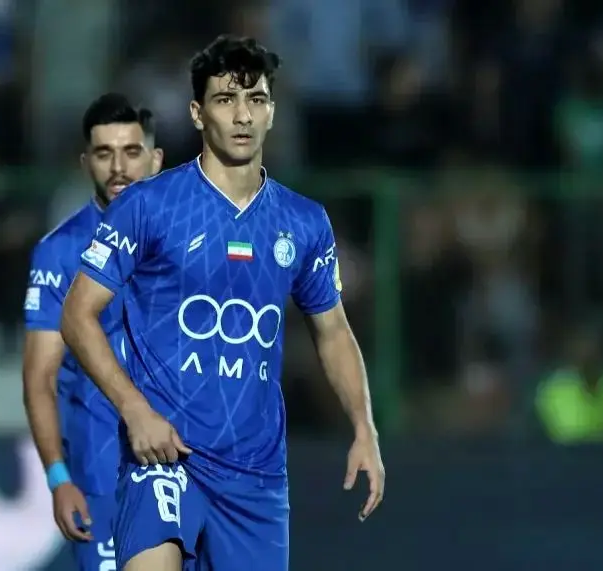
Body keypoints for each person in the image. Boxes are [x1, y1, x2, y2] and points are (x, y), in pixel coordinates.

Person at [61, 35, 385, 571]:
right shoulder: (150, 205)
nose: (242, 115)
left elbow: (332, 332)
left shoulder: (303, 222)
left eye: (256, 99)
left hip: (255, 476)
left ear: (272, 112)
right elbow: (78, 314)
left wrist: (363, 427)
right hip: (165, 456)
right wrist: (135, 410)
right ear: (197, 112)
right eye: (225, 99)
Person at [22, 93, 163, 570]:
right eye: (104, 154)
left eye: (131, 152)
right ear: (86, 163)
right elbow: (39, 377)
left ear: (155, 159)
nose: (118, 168)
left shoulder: (194, 243)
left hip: (188, 474)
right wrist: (58, 478)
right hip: (101, 475)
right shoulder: (59, 252)